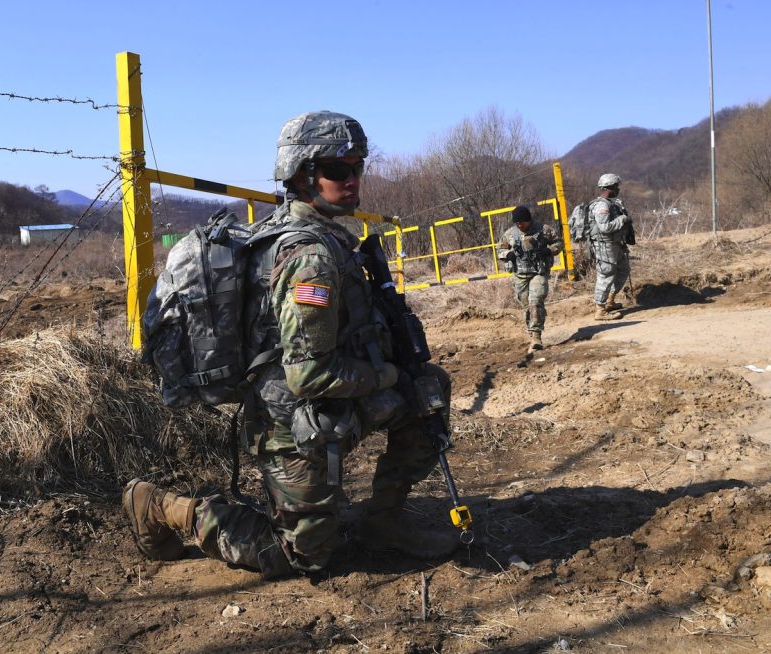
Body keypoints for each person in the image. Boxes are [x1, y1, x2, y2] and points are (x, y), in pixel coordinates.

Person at [123, 111, 460, 579]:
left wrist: (400, 371)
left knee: (427, 391)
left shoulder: (324, 237)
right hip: (289, 420)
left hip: (326, 404)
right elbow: (309, 374)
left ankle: (383, 522)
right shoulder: (310, 258)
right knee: (301, 554)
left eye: (358, 167)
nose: (352, 180)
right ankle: (162, 506)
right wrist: (389, 374)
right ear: (302, 175)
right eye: (338, 170)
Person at [497, 205, 563, 354]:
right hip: (520, 275)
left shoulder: (543, 230)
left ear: (529, 220)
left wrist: (548, 250)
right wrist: (507, 254)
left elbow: (559, 242)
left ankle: (536, 336)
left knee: (536, 299)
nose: (520, 225)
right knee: (526, 305)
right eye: (517, 223)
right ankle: (532, 332)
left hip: (538, 272)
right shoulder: (510, 234)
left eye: (522, 222)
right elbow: (500, 249)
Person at [589, 173, 634, 320]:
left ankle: (610, 301)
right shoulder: (602, 205)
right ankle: (600, 311)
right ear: (609, 188)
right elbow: (605, 227)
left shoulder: (611, 204)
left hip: (614, 245)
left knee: (623, 270)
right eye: (616, 186)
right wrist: (622, 219)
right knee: (606, 276)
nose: (618, 189)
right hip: (605, 246)